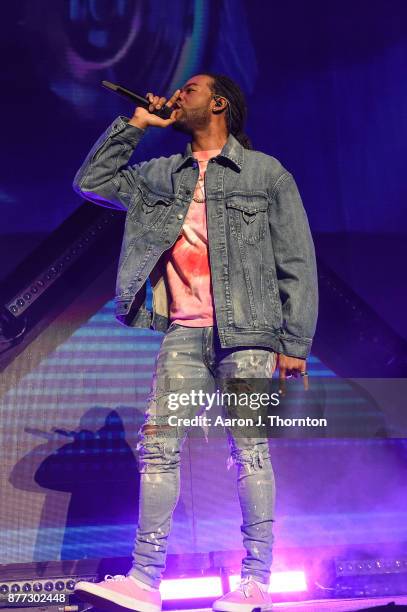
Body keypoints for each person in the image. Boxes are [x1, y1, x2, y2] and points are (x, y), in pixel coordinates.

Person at [72, 73, 318, 612]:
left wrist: (295, 341)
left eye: (190, 88)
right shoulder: (161, 175)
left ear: (219, 102)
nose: (176, 94)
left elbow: (296, 260)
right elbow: (94, 180)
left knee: (249, 451)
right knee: (158, 446)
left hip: (249, 337)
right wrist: (136, 125)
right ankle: (144, 580)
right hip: (184, 333)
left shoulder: (265, 173)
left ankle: (256, 581)